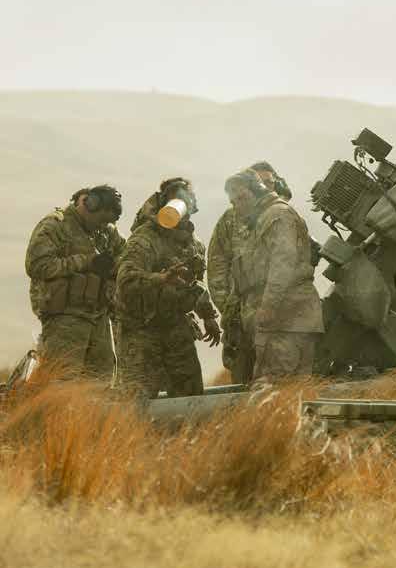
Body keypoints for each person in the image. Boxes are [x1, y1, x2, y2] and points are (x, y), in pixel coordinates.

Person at [115, 177, 220, 399]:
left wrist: (208, 315)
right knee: (139, 400)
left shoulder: (193, 243)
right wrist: (161, 278)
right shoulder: (144, 238)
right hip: (142, 330)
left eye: (188, 198)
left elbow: (195, 284)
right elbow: (125, 281)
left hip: (176, 326)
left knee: (189, 397)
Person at [223, 168, 323, 384]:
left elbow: (282, 265)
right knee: (291, 390)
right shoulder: (266, 218)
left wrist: (268, 307)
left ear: (255, 192)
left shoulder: (277, 215)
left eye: (240, 198)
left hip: (284, 321)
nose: (237, 206)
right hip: (287, 320)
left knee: (271, 388)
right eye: (233, 202)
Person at [25, 184, 125, 378]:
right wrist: (86, 262)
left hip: (98, 316)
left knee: (101, 380)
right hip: (64, 316)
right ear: (90, 205)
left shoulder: (106, 231)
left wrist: (113, 265)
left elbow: (126, 255)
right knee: (61, 378)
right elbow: (37, 265)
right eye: (101, 220)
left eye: (108, 221)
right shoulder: (55, 225)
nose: (103, 225)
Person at [207, 160, 292, 383]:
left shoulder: (283, 215)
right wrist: (229, 308)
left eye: (269, 183)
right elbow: (216, 266)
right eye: (260, 182)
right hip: (241, 315)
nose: (265, 187)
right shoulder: (230, 219)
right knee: (244, 377)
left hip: (278, 313)